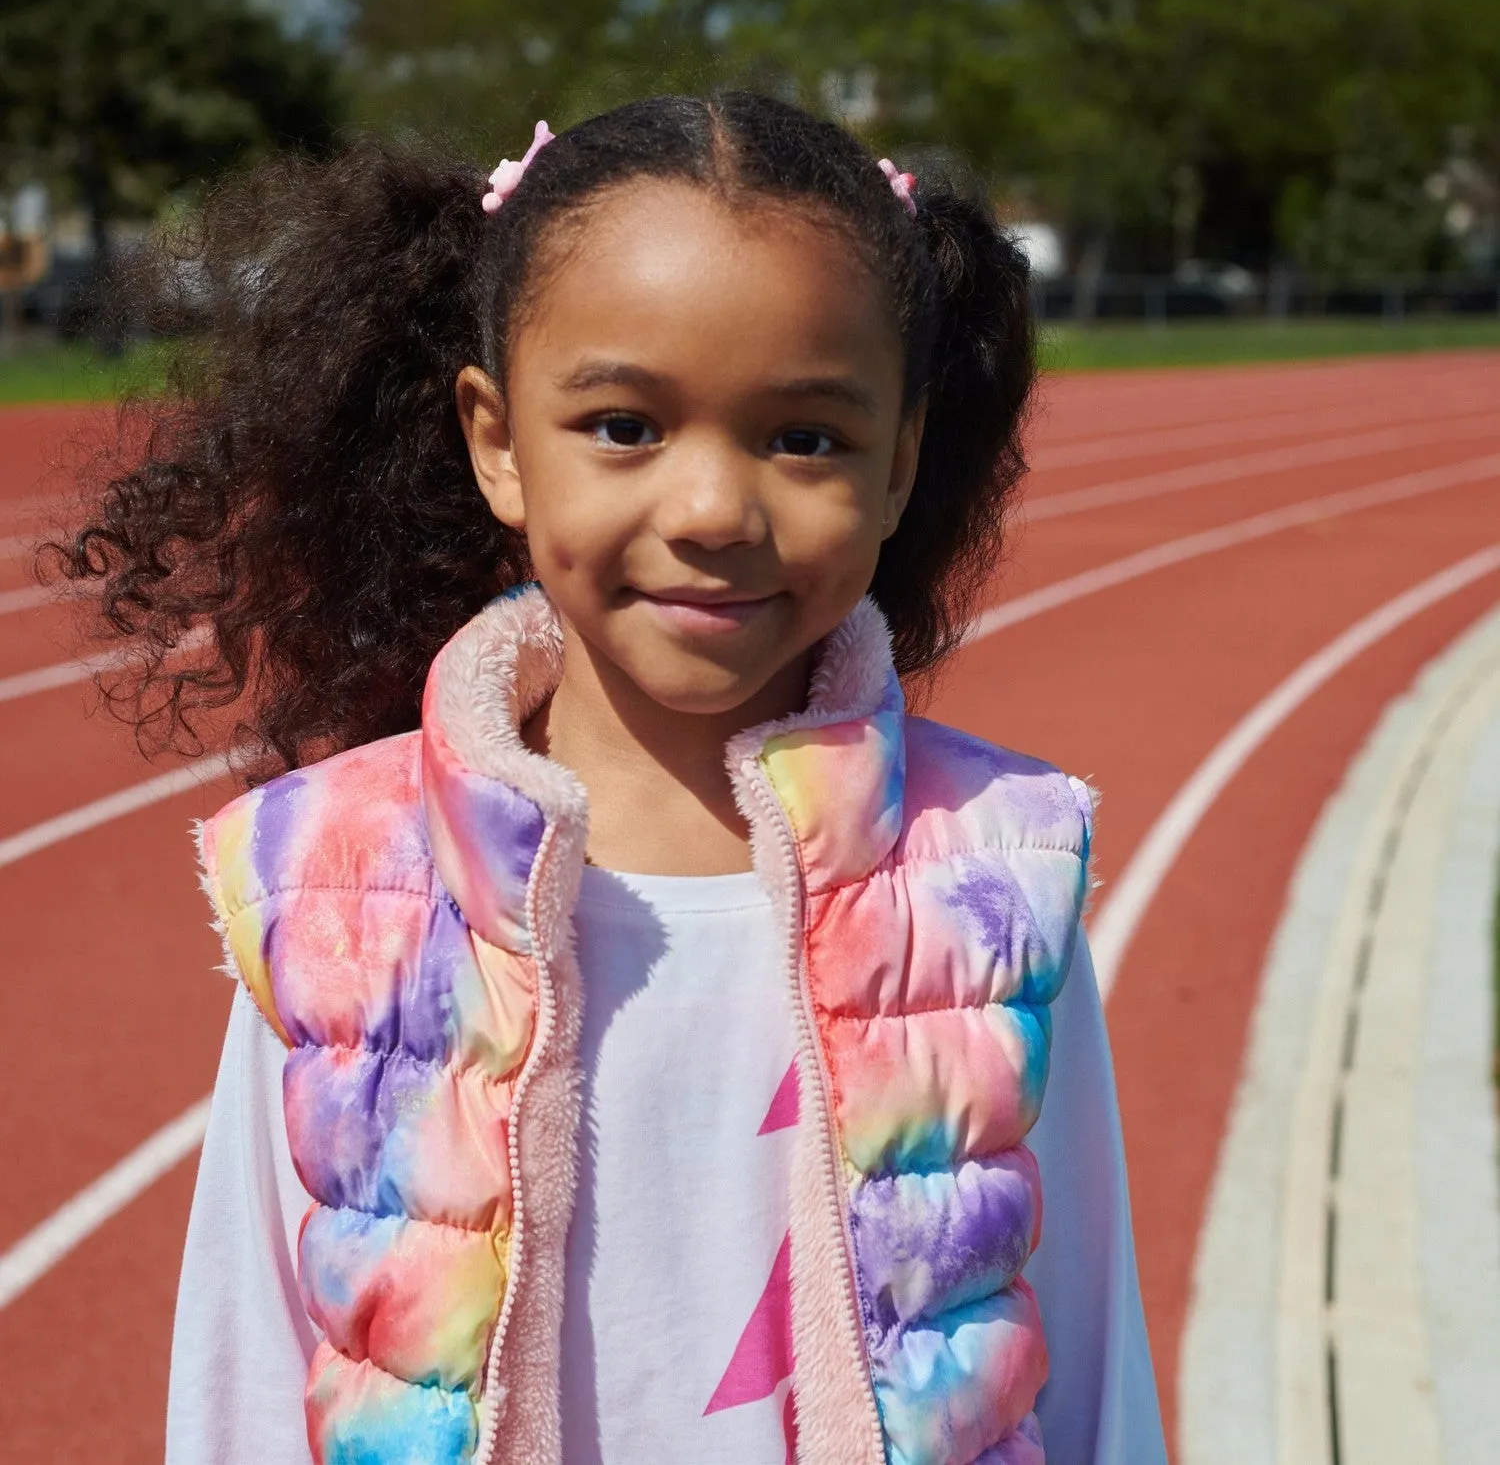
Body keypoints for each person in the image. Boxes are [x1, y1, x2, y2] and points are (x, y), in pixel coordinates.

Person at [57, 92, 1165, 1465]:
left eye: (806, 437)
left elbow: (1092, 1355)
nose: (710, 511)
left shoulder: (988, 878)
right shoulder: (343, 889)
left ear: (902, 463)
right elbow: (246, 1367)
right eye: (625, 426)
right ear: (499, 443)